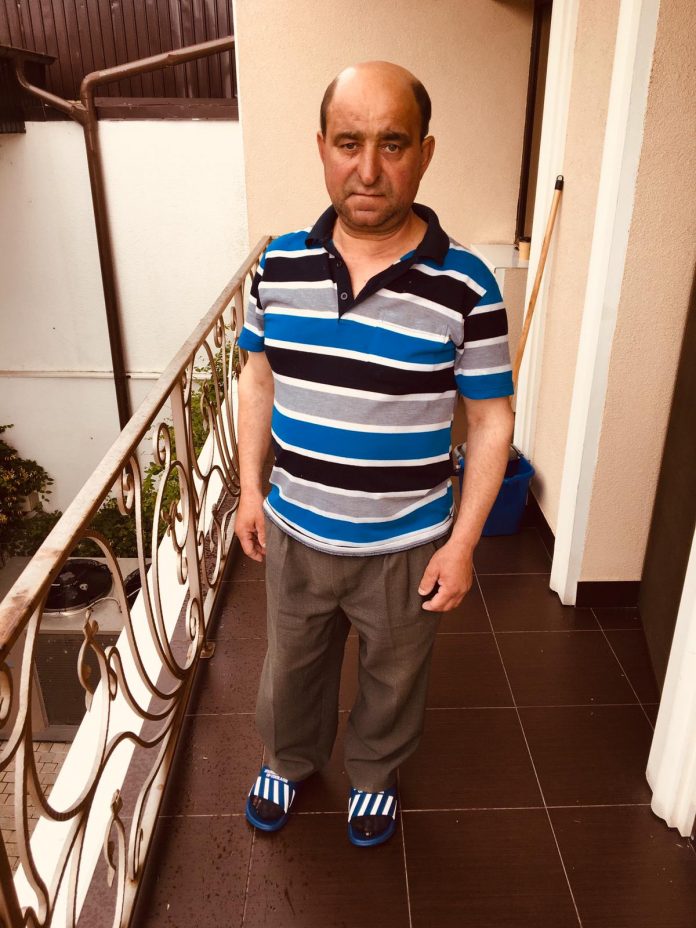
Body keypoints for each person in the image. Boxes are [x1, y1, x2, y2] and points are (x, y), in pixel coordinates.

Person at [235, 60, 514, 847]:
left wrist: (463, 543)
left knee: (395, 677)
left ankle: (374, 773)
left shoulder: (467, 286)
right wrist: (251, 489)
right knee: (291, 666)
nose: (367, 170)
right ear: (321, 147)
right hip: (296, 527)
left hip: (407, 542)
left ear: (425, 154)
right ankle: (288, 760)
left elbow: (491, 420)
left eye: (392, 144)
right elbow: (258, 379)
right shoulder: (278, 266)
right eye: (348, 142)